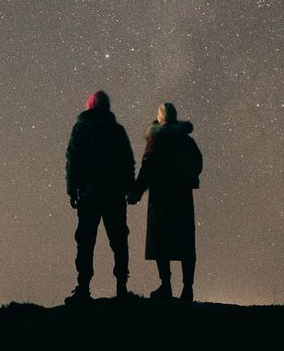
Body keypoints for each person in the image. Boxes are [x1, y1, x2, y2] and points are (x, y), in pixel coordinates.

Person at [64, 90, 135, 304]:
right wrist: (129, 188)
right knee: (119, 240)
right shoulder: (117, 130)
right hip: (114, 194)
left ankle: (83, 288)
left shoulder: (81, 129)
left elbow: (72, 161)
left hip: (89, 193)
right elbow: (128, 162)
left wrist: (72, 189)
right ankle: (122, 287)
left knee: (85, 241)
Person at [128, 102, 203, 302]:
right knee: (185, 242)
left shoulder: (156, 139)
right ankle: (188, 289)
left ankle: (166, 286)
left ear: (160, 117)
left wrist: (136, 192)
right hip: (182, 198)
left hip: (161, 198)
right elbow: (197, 162)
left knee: (161, 241)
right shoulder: (186, 140)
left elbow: (147, 168)